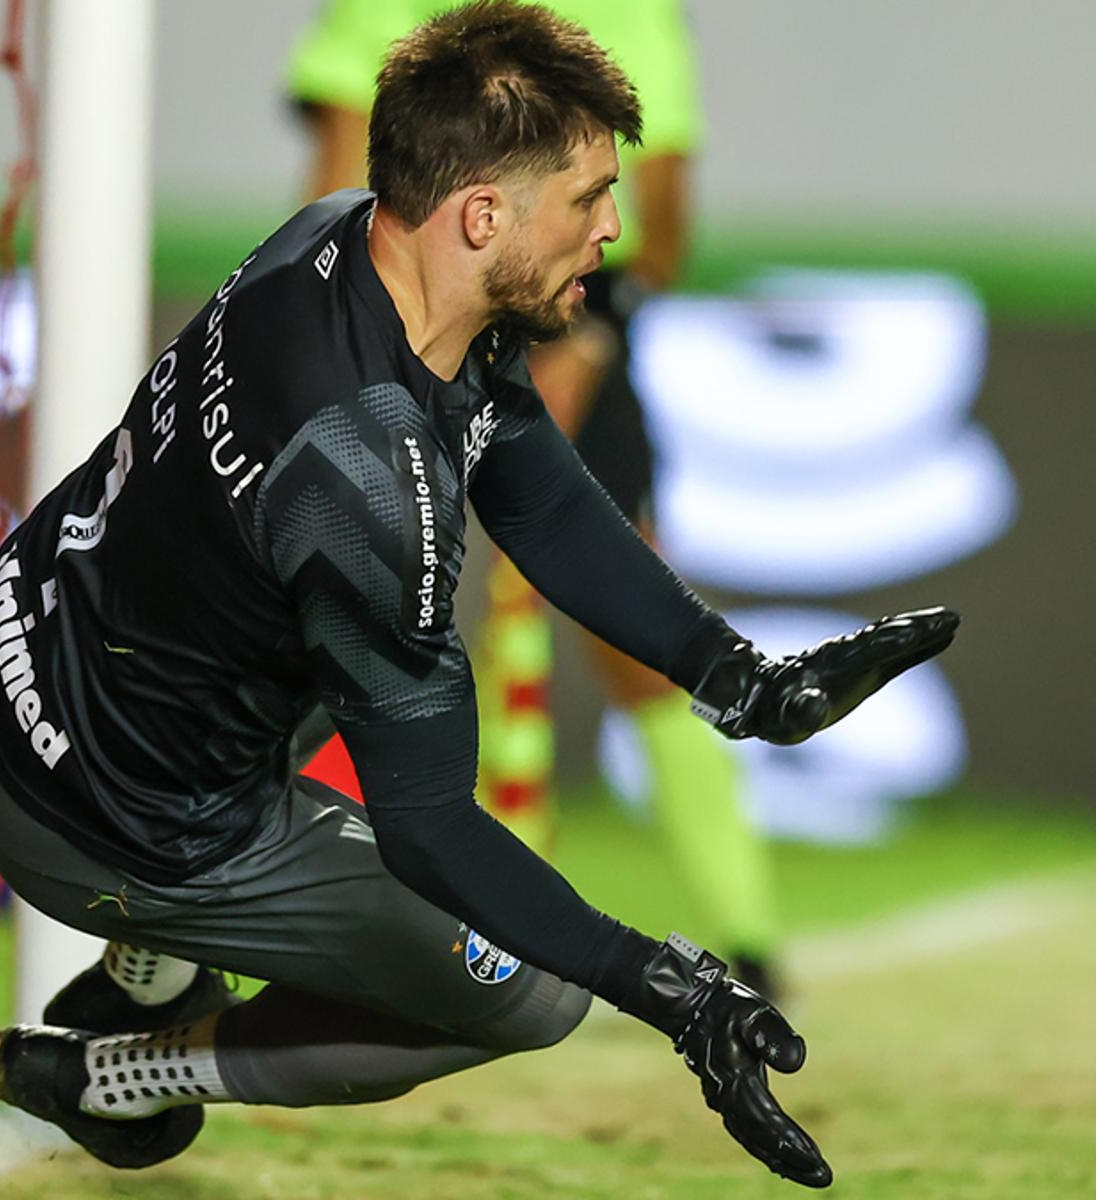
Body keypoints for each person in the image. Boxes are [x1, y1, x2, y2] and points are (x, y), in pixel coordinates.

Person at [0, 2, 957, 1187]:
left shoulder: (340, 240)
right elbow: (432, 831)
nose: (615, 231)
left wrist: (739, 679)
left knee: (282, 631)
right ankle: (126, 1070)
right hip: (101, 823)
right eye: (586, 200)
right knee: (533, 999)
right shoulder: (365, 485)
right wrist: (668, 989)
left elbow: (534, 490)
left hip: (26, 637)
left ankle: (149, 961)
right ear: (484, 215)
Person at [288, 0, 786, 995]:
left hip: (567, 315)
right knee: (319, 612)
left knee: (634, 623)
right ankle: (264, 914)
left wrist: (586, 337)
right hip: (395, 319)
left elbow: (657, 220)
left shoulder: (630, 13)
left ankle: (752, 934)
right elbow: (339, 185)